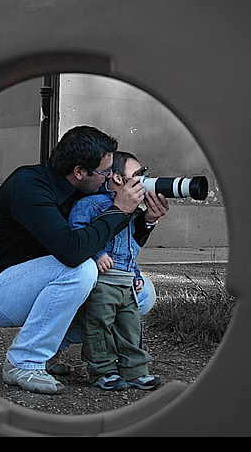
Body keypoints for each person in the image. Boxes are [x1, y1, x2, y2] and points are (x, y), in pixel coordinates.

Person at [0, 125, 147, 394]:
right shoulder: (29, 187)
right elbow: (72, 251)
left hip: (40, 282)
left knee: (140, 293)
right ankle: (24, 362)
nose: (108, 178)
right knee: (81, 270)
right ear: (79, 172)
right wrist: (119, 209)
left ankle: (50, 352)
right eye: (104, 172)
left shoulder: (82, 191)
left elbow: (111, 245)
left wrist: (148, 221)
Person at [68, 151, 166, 391]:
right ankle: (103, 371)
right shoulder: (89, 204)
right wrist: (97, 254)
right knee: (98, 326)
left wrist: (137, 275)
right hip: (103, 282)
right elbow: (77, 233)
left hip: (126, 281)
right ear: (118, 178)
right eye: (137, 175)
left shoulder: (134, 212)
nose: (142, 180)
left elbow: (131, 248)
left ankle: (135, 371)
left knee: (131, 328)